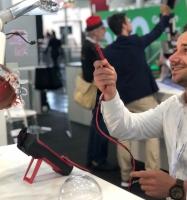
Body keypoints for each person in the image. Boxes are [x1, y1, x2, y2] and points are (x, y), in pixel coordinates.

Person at [93, 20, 187, 199]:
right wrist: (110, 92)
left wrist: (178, 189)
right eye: (176, 50)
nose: (173, 58)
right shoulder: (174, 105)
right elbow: (125, 127)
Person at [102, 5, 171, 187]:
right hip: (142, 97)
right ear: (124, 25)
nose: (131, 22)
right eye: (129, 20)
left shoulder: (108, 51)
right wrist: (165, 15)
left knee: (123, 138)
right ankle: (150, 178)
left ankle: (126, 178)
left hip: (122, 100)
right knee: (153, 134)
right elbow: (157, 31)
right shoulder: (136, 42)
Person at [81, 15, 116, 171]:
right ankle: (100, 160)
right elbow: (102, 69)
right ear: (96, 31)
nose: (104, 31)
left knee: (95, 125)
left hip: (95, 91)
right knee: (102, 126)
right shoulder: (94, 48)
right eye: (102, 29)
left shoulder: (86, 45)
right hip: (99, 91)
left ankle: (91, 158)